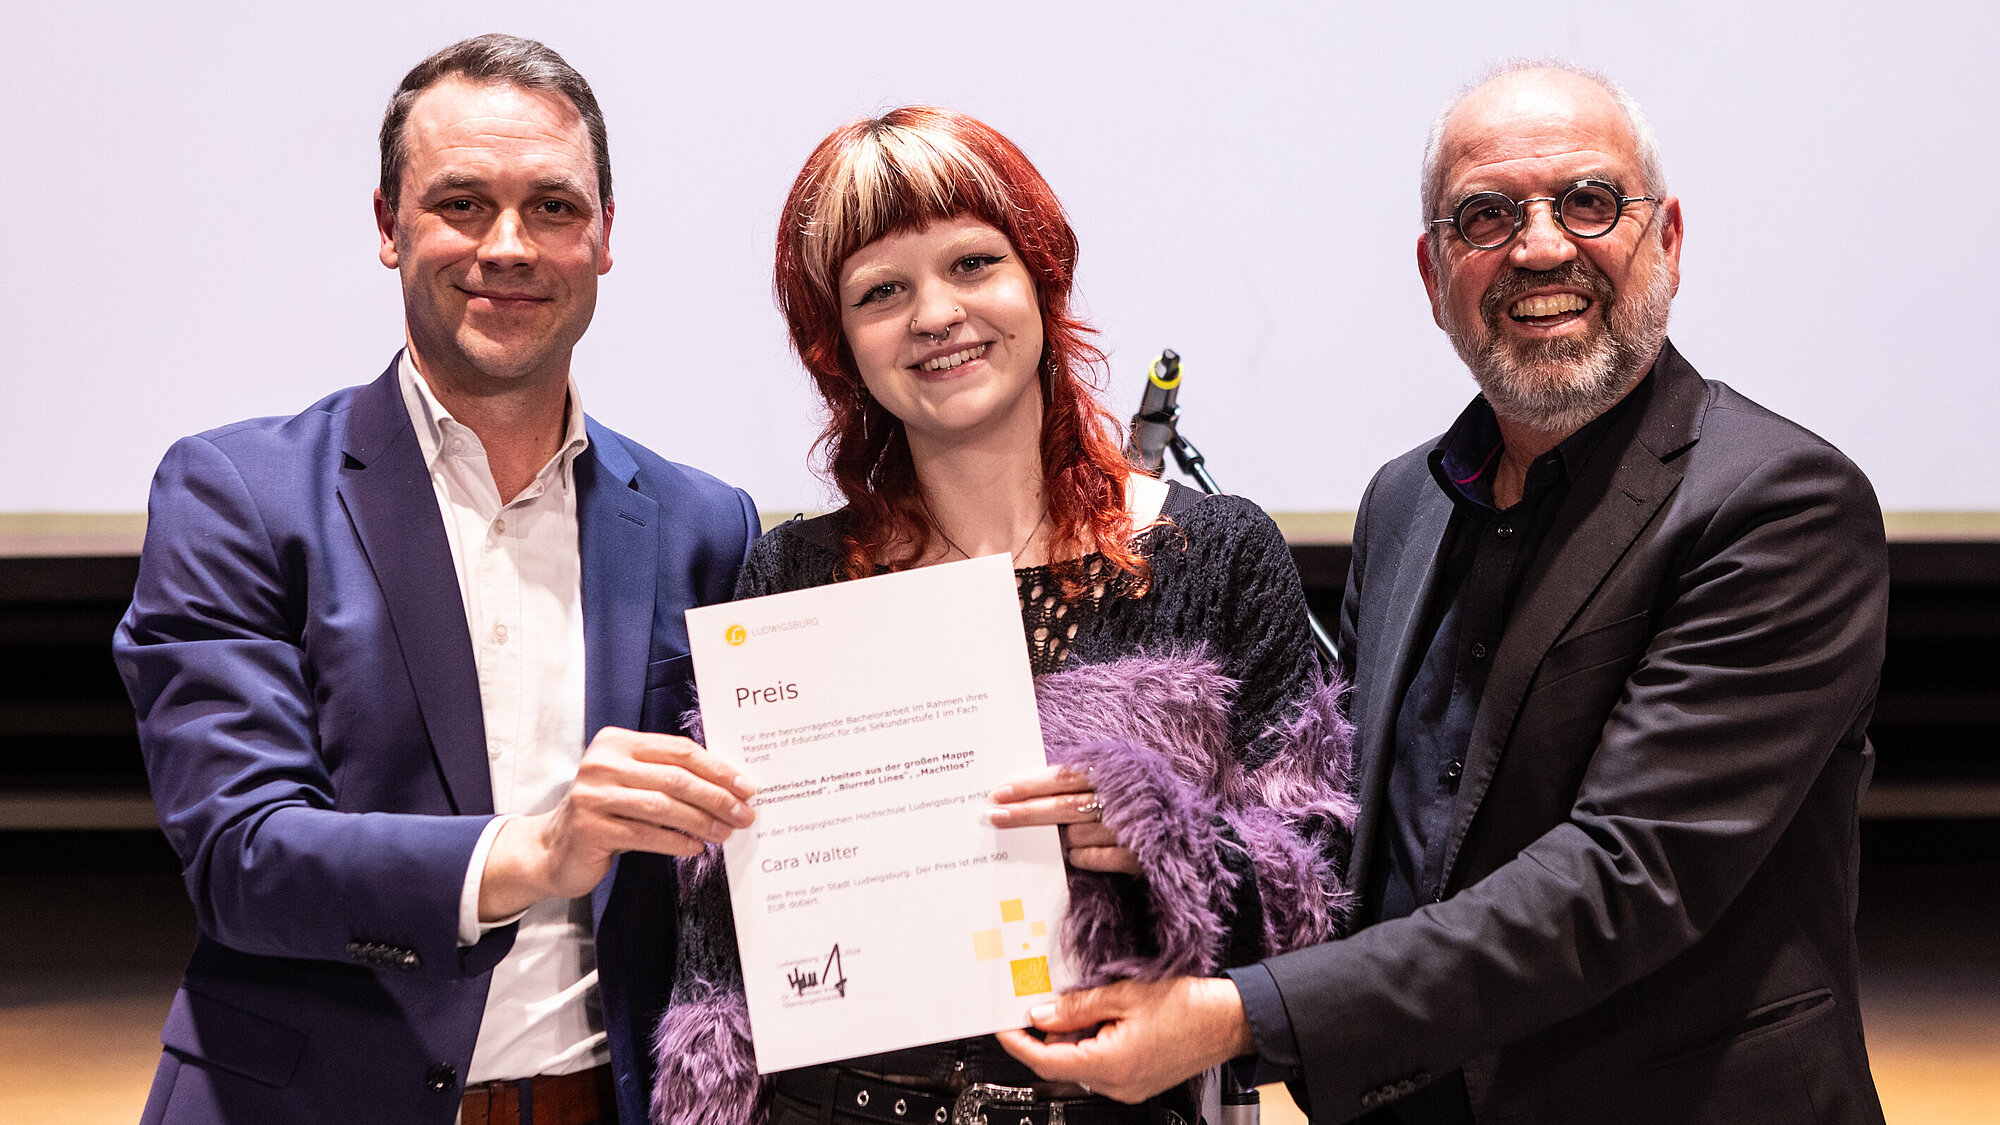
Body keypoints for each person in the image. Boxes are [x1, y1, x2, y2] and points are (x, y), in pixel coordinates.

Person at [999, 62, 1891, 1125]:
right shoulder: (1403, 504)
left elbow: (1625, 876)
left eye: (1589, 202)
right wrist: (1164, 833)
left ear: (1668, 238)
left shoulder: (1778, 504)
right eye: (1485, 216)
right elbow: (1354, 840)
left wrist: (1243, 1017)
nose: (1540, 247)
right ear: (1433, 274)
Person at [649, 106, 1356, 1125]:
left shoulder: (1216, 552)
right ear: (839, 344)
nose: (935, 314)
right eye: (881, 291)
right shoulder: (792, 574)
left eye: (973, 264)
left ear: (1040, 279)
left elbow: (1319, 892)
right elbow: (723, 946)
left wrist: (1169, 837)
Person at [113, 34, 760, 1125]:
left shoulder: (704, 525)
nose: (508, 246)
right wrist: (533, 850)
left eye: (552, 207)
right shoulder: (240, 494)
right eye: (462, 203)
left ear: (605, 235)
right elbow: (243, 857)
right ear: (388, 225)